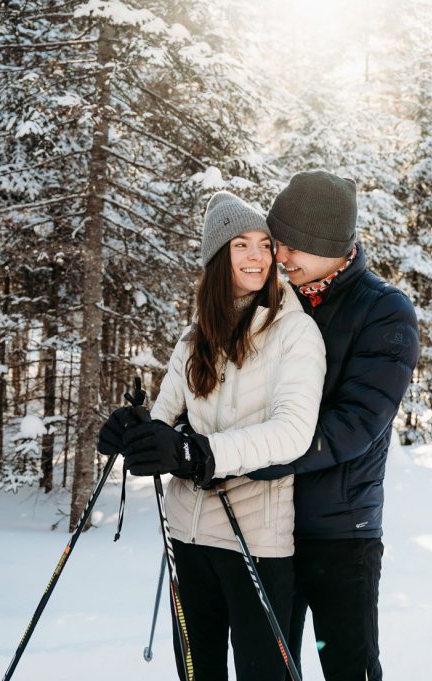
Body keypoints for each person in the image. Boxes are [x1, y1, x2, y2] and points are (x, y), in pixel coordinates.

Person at [97, 190, 326, 681]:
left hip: (258, 543)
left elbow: (293, 433)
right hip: (188, 535)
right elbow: (164, 421)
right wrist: (131, 432)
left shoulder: (294, 332)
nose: (258, 256)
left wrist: (197, 452)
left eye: (265, 245)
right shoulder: (194, 336)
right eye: (241, 245)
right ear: (218, 257)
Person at [251, 170, 420, 681]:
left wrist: (258, 455)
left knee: (349, 669)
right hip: (269, 528)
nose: (279, 256)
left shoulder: (384, 310)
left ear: (327, 245)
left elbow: (357, 423)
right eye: (276, 242)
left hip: (341, 535)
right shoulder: (273, 302)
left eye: (290, 245)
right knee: (269, 670)